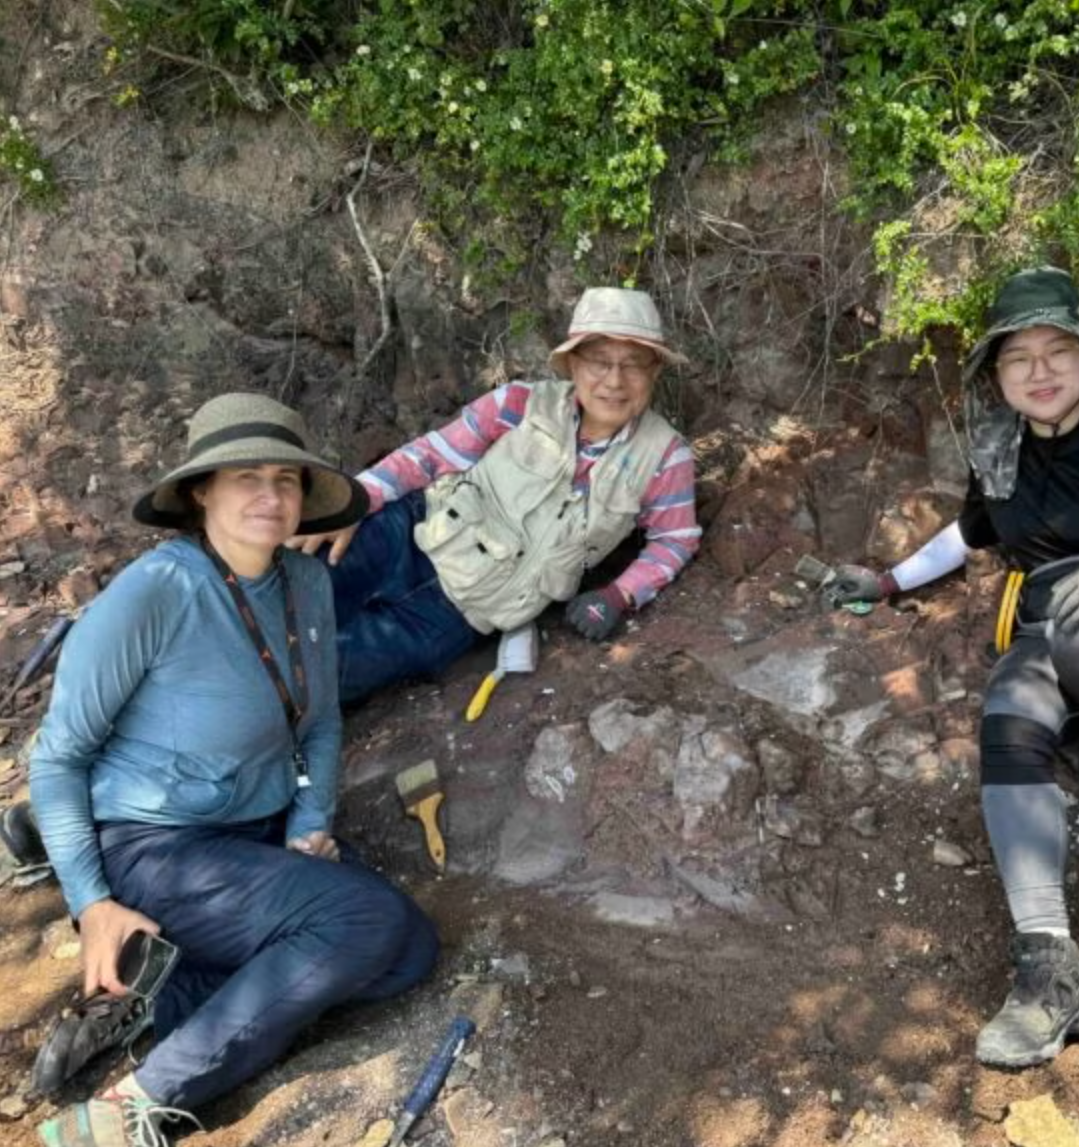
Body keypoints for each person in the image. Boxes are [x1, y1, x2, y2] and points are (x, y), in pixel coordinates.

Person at [826, 267, 1079, 1067]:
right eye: (1018, 358)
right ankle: (1050, 965)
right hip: (1054, 633)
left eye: (1057, 351)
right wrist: (886, 581)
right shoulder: (1004, 452)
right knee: (1007, 718)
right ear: (997, 376)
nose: (1039, 371)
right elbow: (968, 534)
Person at [29, 394, 438, 1146]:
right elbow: (58, 757)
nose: (270, 495)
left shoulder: (305, 583)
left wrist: (309, 825)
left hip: (255, 832)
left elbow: (320, 720)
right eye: (246, 476)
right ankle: (135, 1106)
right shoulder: (156, 592)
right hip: (153, 845)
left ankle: (164, 992)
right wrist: (91, 904)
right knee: (364, 921)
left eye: (285, 479)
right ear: (200, 491)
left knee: (408, 954)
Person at [290, 287, 701, 708]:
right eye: (600, 361)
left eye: (634, 364)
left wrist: (619, 594)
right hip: (409, 535)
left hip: (457, 616)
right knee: (285, 595)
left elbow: (675, 540)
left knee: (317, 678)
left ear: (655, 371)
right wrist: (356, 503)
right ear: (574, 364)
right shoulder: (519, 403)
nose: (614, 381)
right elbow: (431, 455)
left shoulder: (665, 457)